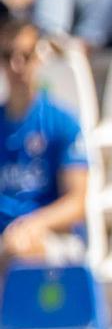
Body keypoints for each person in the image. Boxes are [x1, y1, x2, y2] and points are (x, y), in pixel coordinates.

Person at [0, 19, 86, 267]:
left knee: (19, 251)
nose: (16, 65)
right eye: (7, 56)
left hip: (51, 237)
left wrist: (34, 224)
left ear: (38, 58)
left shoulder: (62, 123)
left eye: (25, 55)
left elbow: (77, 203)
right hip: (6, 237)